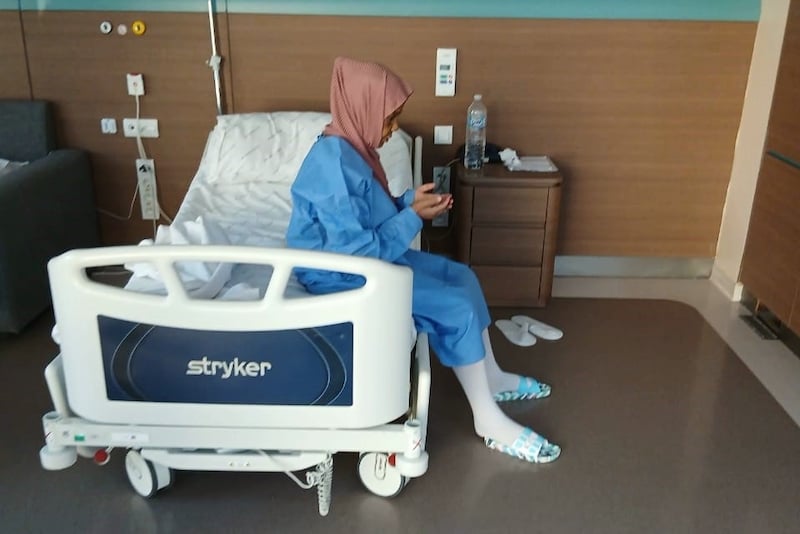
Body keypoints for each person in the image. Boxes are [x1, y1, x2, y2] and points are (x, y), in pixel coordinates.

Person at [286, 56, 561, 464]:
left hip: (369, 257)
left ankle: (492, 377)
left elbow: (367, 217)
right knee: (455, 306)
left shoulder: (353, 151)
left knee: (463, 277)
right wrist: (411, 217)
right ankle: (487, 420)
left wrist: (406, 203)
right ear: (362, 108)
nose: (392, 128)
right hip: (341, 275)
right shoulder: (334, 164)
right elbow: (356, 252)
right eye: (389, 118)